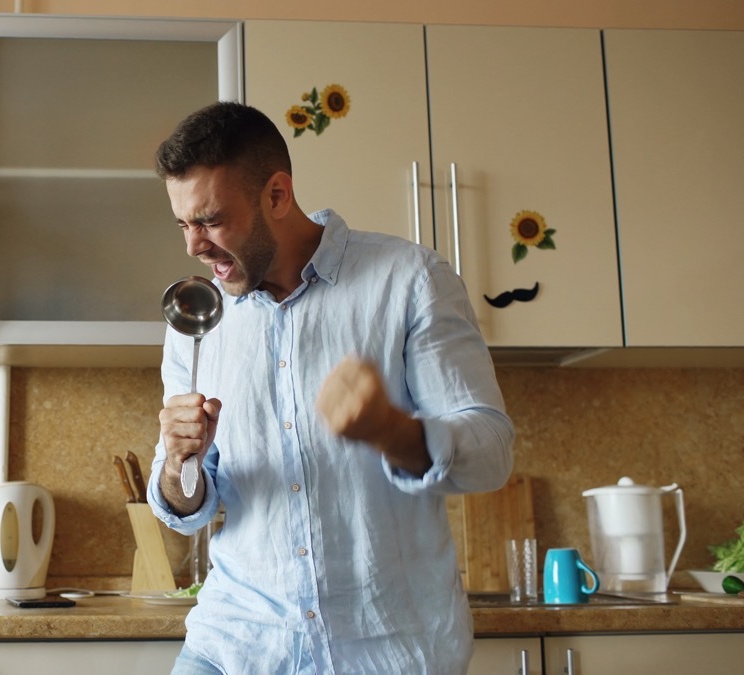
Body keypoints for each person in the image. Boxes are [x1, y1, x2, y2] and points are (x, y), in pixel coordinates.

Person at [146, 101, 515, 674]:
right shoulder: (199, 320)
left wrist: (395, 432)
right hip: (236, 645)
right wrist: (176, 465)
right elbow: (188, 506)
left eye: (211, 220)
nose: (193, 245)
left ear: (276, 194)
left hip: (390, 651)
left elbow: (491, 451)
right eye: (182, 224)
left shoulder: (409, 280)